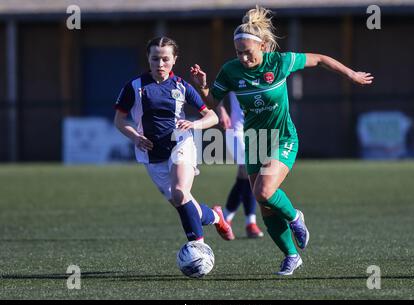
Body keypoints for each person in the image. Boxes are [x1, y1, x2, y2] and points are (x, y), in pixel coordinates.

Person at [190, 6, 373, 275]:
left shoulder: (279, 62)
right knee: (265, 206)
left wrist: (351, 74)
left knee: (262, 192)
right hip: (255, 141)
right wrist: (201, 85)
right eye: (238, 52)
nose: (242, 57)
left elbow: (320, 59)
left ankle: (295, 216)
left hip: (282, 138)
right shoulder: (231, 71)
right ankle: (291, 255)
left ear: (263, 46)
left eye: (247, 52)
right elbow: (212, 103)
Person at [114, 36, 235, 245]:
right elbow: (119, 120)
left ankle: (197, 247)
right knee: (184, 204)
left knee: (180, 193)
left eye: (165, 59)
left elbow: (212, 117)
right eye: (155, 59)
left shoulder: (182, 86)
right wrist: (136, 137)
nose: (160, 64)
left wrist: (194, 125)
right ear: (148, 59)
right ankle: (216, 217)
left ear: (174, 59)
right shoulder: (133, 87)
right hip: (152, 154)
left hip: (181, 144)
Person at [218, 92, 264, 238]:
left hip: (257, 132)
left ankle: (225, 218)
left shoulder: (267, 70)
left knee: (244, 179)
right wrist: (221, 110)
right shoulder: (233, 69)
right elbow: (214, 91)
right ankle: (251, 223)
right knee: (252, 175)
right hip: (236, 131)